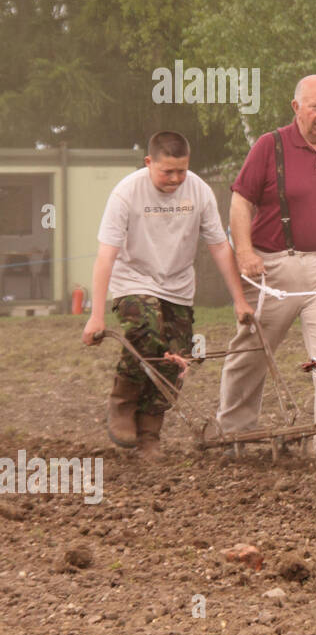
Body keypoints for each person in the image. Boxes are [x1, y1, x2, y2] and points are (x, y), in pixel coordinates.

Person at [215, 75, 316, 459]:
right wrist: (245, 252)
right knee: (253, 350)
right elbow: (241, 202)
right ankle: (236, 432)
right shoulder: (268, 147)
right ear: (296, 108)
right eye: (315, 106)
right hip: (275, 266)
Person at [82, 131, 252, 459]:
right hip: (133, 281)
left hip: (178, 288)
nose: (175, 178)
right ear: (149, 163)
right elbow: (106, 256)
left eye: (181, 171)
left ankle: (149, 433)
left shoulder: (199, 192)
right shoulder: (126, 194)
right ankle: (122, 402)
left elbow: (218, 246)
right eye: (167, 171)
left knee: (175, 359)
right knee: (146, 333)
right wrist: (96, 315)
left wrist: (240, 300)